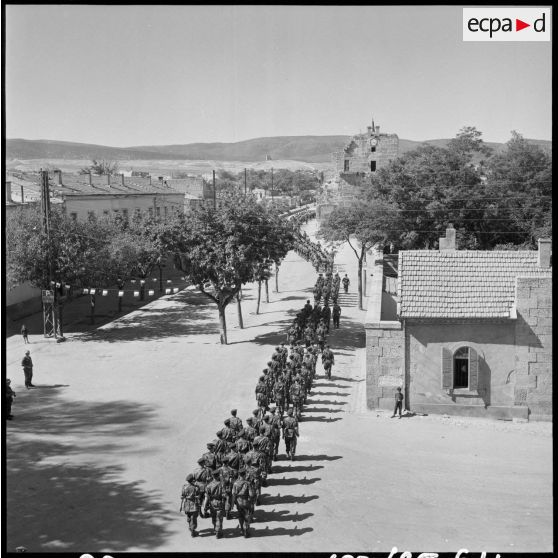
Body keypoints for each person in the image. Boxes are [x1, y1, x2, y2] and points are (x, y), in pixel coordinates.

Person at [232, 468, 256, 538]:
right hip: (246, 502)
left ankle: (241, 529)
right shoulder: (247, 483)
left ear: (239, 475)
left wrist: (233, 503)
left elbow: (233, 494)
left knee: (240, 516)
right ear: (245, 474)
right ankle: (246, 530)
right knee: (246, 516)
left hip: (238, 502)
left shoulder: (235, 483)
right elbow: (251, 494)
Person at [203, 471, 227, 538]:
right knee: (219, 518)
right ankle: (218, 531)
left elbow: (206, 497)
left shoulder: (208, 485)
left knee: (214, 517)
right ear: (218, 476)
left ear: (212, 476)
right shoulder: (221, 484)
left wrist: (204, 507)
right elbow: (224, 495)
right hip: (219, 503)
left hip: (212, 503)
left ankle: (215, 528)